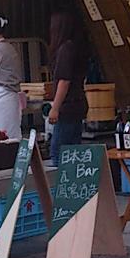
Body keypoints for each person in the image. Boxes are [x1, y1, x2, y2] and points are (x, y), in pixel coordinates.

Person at [47, 10, 88, 166]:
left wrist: (55, 108)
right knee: (73, 152)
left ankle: (61, 181)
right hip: (77, 103)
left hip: (68, 105)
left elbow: (64, 81)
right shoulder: (76, 47)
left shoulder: (65, 49)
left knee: (58, 153)